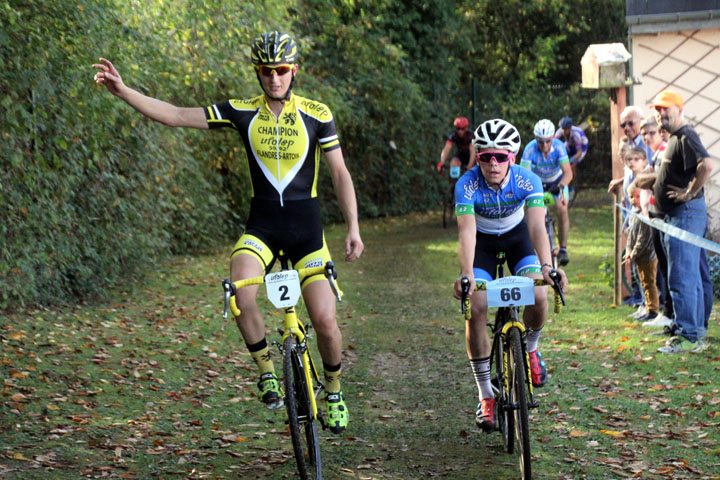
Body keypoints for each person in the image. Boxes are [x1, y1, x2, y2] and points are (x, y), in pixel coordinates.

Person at [92, 31, 364, 433]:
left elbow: (340, 172)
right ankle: (267, 372)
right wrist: (124, 91)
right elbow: (176, 114)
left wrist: (354, 226)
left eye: (282, 70)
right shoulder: (241, 111)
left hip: (308, 233)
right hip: (263, 228)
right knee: (240, 291)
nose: (274, 78)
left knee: (325, 321)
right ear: (258, 73)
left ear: (294, 71)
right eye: (266, 71)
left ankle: (336, 391)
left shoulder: (317, 113)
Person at [452, 119, 568, 431]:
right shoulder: (466, 184)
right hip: (483, 243)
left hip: (519, 239)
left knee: (540, 293)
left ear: (512, 158)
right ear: (477, 158)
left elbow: (536, 227)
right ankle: (486, 394)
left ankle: (530, 348)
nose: (493, 164)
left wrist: (547, 266)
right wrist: (466, 275)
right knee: (475, 307)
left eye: (500, 157)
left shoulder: (528, 180)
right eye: (485, 157)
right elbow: (466, 233)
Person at [634, 90, 714, 354]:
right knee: (687, 275)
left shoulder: (687, 135)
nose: (660, 114)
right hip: (677, 216)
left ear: (680, 109)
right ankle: (693, 330)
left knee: (682, 276)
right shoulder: (675, 139)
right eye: (657, 110)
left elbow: (707, 166)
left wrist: (689, 193)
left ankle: (689, 334)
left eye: (665, 109)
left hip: (686, 214)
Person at [520, 119, 573, 266]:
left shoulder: (559, 147)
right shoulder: (529, 149)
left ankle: (563, 248)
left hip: (557, 182)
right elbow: (524, 176)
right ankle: (536, 250)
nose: (545, 145)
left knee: (562, 210)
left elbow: (568, 173)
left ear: (553, 138)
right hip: (537, 183)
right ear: (536, 140)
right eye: (541, 142)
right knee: (535, 215)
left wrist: (560, 186)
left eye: (548, 141)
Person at [624, 182, 659, 323]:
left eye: (637, 196)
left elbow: (643, 238)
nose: (634, 200)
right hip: (637, 256)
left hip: (647, 256)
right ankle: (646, 307)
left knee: (649, 282)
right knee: (642, 282)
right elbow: (631, 236)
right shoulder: (634, 214)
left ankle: (653, 309)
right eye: (631, 196)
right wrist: (628, 251)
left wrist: (634, 253)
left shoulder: (645, 215)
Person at [555, 116, 588, 186]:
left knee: (571, 165)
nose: (563, 131)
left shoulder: (576, 134)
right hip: (570, 144)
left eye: (565, 129)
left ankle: (572, 186)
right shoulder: (559, 131)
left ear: (570, 128)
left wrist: (571, 160)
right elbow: (553, 144)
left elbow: (579, 153)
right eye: (562, 128)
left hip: (581, 148)